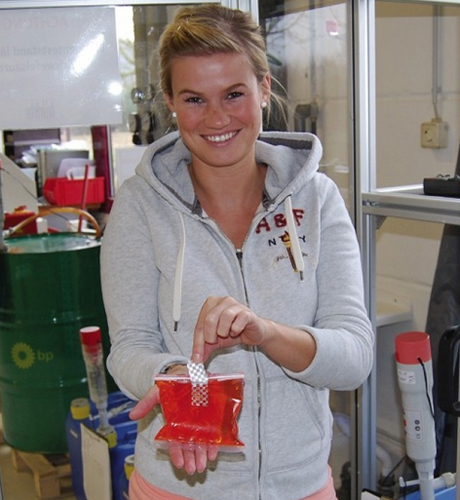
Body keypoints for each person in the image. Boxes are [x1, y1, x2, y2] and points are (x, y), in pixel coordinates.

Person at [101, 4, 374, 500]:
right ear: (171, 102)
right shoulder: (141, 207)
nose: (217, 118)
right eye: (194, 99)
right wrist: (176, 379)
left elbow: (354, 356)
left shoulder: (317, 200)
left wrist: (266, 333)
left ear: (264, 88)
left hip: (301, 485)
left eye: (234, 93)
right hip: (179, 486)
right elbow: (129, 348)